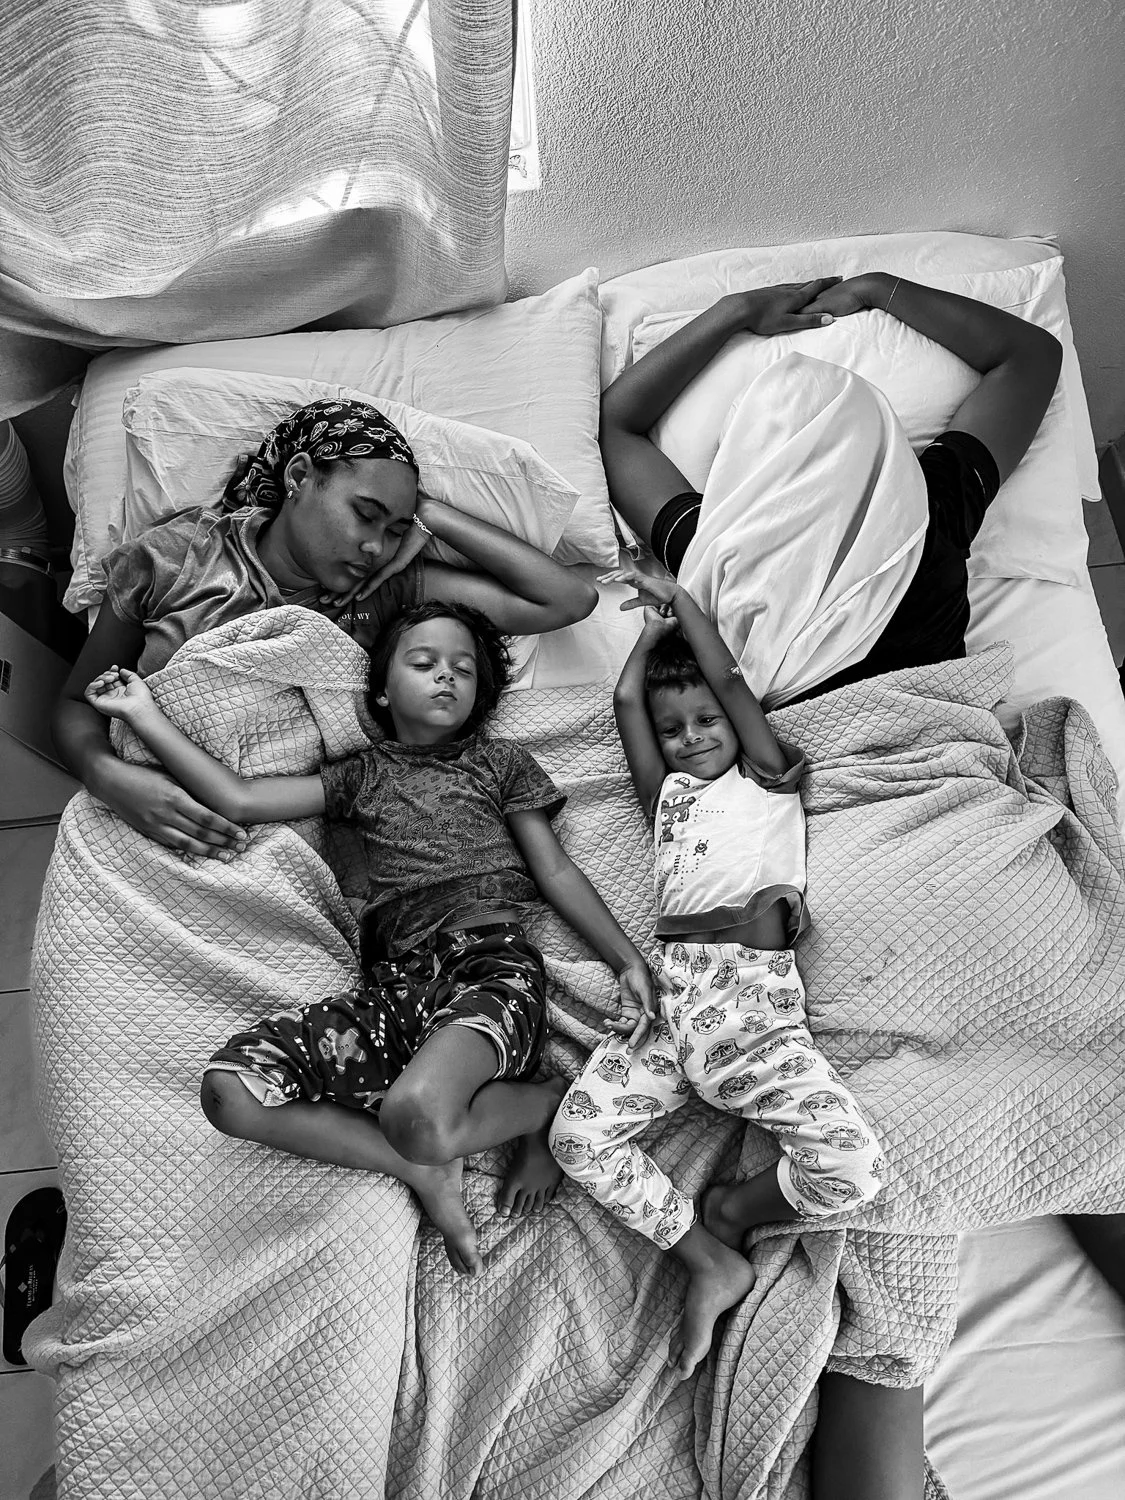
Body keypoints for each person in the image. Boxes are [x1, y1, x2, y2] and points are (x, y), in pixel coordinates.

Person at [83, 599, 656, 1277]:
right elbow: (238, 798)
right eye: (424, 663)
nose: (446, 677)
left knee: (417, 1115)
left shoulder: (499, 763)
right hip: (395, 994)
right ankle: (422, 1169)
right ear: (382, 689)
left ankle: (544, 1104)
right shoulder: (361, 775)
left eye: (463, 670)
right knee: (228, 1090)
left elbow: (554, 869)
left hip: (488, 973)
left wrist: (626, 962)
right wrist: (141, 714)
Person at [549, 563, 884, 1381]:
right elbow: (629, 703)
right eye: (677, 729)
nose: (693, 735)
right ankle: (704, 1253)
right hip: (669, 1003)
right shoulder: (665, 795)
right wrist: (645, 640)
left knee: (853, 1170)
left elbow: (729, 682)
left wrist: (682, 608)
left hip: (752, 1009)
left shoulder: (764, 774)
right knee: (574, 1140)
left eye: (705, 721)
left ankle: (733, 1209)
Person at [53, 398, 598, 858]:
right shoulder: (177, 556)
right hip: (135, 821)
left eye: (394, 530)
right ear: (299, 478)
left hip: (278, 846)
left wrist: (431, 517)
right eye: (366, 513)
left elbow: (567, 599)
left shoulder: (383, 590)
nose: (375, 546)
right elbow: (78, 701)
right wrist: (106, 776)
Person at [599, 273, 1063, 700]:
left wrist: (734, 312)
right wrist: (879, 290)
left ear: (748, 463)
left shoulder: (718, 553)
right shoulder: (928, 510)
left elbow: (616, 426)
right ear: (879, 441)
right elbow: (1030, 355)